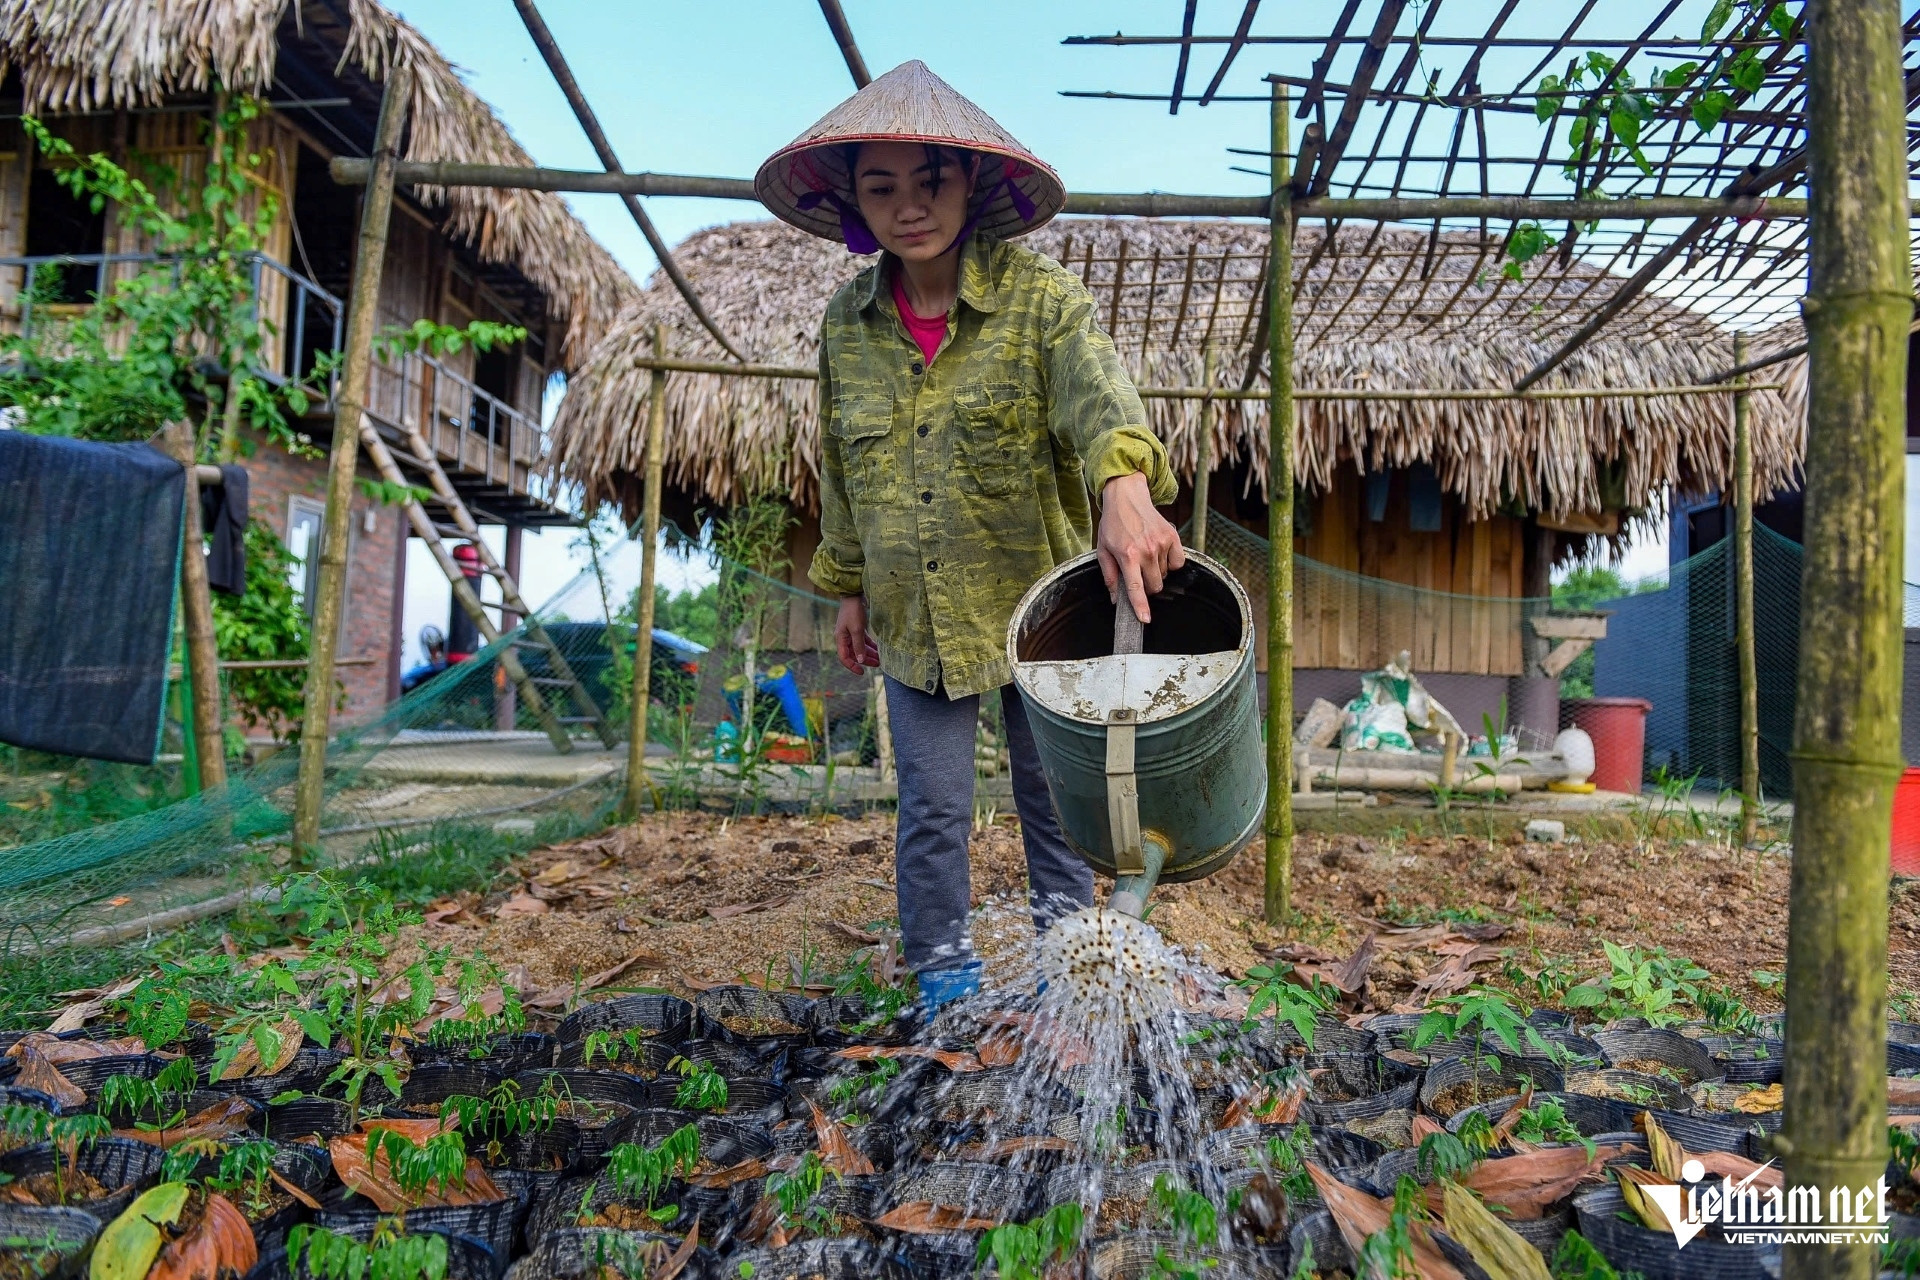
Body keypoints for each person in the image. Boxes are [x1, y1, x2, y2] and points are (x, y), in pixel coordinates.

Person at [755, 61, 1184, 1008]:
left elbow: (1096, 394)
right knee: (933, 809)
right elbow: (842, 462)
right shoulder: (848, 322)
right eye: (882, 187)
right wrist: (849, 587)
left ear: (971, 184)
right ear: (853, 202)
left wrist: (1121, 482)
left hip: (1040, 609)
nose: (910, 207)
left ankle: (1071, 975)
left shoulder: (1040, 301)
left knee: (1057, 804)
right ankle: (943, 981)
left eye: (930, 180)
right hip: (913, 614)